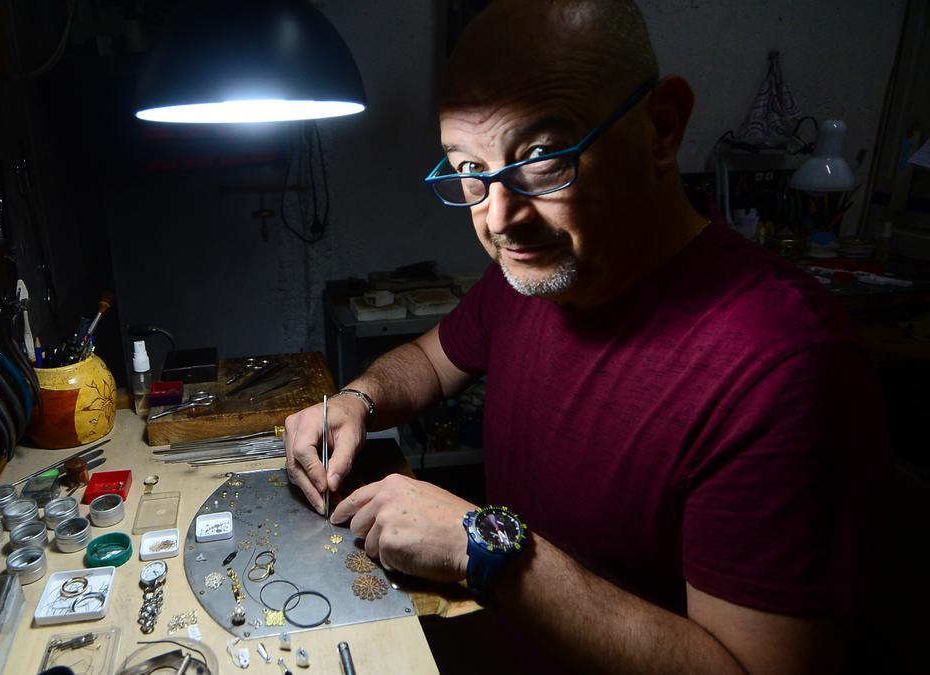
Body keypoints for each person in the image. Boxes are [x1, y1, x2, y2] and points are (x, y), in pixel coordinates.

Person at [282, 1, 887, 672]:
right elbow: (431, 359)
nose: (499, 217)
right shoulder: (540, 274)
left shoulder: (785, 368)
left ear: (662, 127)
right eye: (468, 170)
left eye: (540, 157)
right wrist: (358, 402)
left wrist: (483, 545)